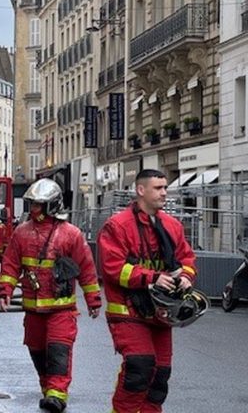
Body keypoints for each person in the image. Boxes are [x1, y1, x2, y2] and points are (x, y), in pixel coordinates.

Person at [0, 178, 101, 413]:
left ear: (51, 205)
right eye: (32, 204)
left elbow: (86, 268)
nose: (33, 209)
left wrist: (93, 299)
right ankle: (48, 387)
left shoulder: (70, 234)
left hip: (61, 308)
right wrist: (4, 290)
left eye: (38, 205)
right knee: (36, 349)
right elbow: (11, 264)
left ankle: (57, 392)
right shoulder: (21, 233)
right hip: (33, 309)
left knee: (58, 349)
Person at [97, 169, 197, 413]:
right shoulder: (118, 226)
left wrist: (185, 277)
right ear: (141, 190)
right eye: (158, 188)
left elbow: (187, 259)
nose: (164, 192)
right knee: (139, 367)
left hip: (160, 314)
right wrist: (152, 277)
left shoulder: (172, 226)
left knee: (160, 375)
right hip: (128, 310)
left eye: (165, 187)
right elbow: (112, 268)